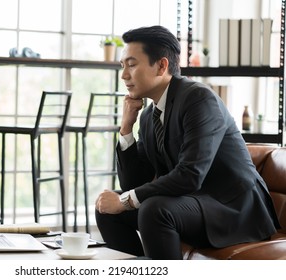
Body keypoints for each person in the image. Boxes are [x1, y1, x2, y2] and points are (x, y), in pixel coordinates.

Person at [94, 25, 280, 260]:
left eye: (131, 64)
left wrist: (125, 199)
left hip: (233, 208)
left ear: (162, 66)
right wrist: (126, 128)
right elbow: (135, 182)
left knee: (153, 209)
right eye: (123, 66)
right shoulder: (148, 116)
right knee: (106, 208)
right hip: (192, 203)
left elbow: (190, 174)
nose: (124, 75)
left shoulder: (198, 99)